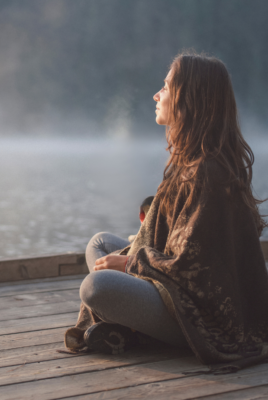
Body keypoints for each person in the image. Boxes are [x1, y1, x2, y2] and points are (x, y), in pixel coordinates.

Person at [63, 52, 268, 374]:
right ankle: (130, 326)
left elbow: (198, 269)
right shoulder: (191, 161)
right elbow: (174, 244)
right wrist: (132, 255)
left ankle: (134, 329)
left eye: (166, 87)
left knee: (97, 287)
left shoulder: (209, 172)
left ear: (190, 98)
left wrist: (131, 263)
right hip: (174, 287)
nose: (156, 95)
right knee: (101, 243)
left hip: (203, 317)